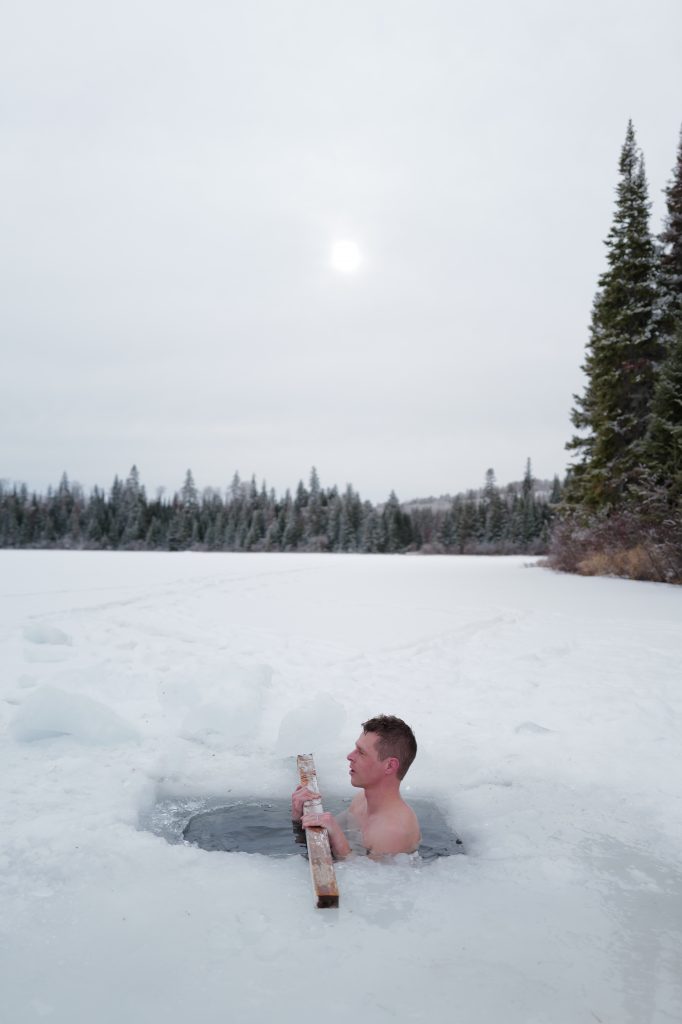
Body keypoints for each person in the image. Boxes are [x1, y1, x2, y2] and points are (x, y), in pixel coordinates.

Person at [291, 714, 420, 859]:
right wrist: (299, 816)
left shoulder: (394, 832)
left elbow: (365, 879)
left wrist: (338, 838)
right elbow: (326, 833)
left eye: (361, 752)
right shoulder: (361, 801)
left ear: (389, 766)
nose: (350, 756)